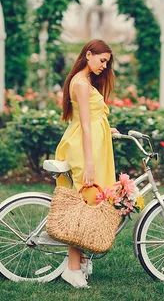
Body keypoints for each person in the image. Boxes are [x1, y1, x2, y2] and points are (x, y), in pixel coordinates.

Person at [55, 39, 119, 289]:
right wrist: (89, 163)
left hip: (92, 145)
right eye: (102, 60)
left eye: (107, 62)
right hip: (84, 149)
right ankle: (72, 268)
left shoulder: (85, 82)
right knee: (83, 205)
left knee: (91, 202)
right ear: (88, 54)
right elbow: (83, 124)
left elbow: (92, 119)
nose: (104, 66)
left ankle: (79, 260)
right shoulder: (81, 84)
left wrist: (106, 128)